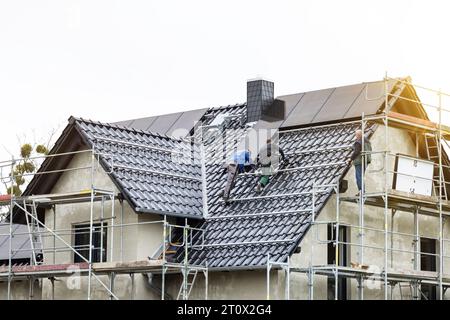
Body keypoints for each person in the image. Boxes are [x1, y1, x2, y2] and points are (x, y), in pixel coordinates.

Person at [350, 129, 372, 195]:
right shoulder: (367, 141)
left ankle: (361, 191)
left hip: (359, 161)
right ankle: (363, 191)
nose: (355, 136)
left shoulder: (359, 141)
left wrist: (350, 159)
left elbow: (356, 152)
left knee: (358, 176)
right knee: (361, 176)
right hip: (366, 160)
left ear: (357, 135)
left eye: (356, 135)